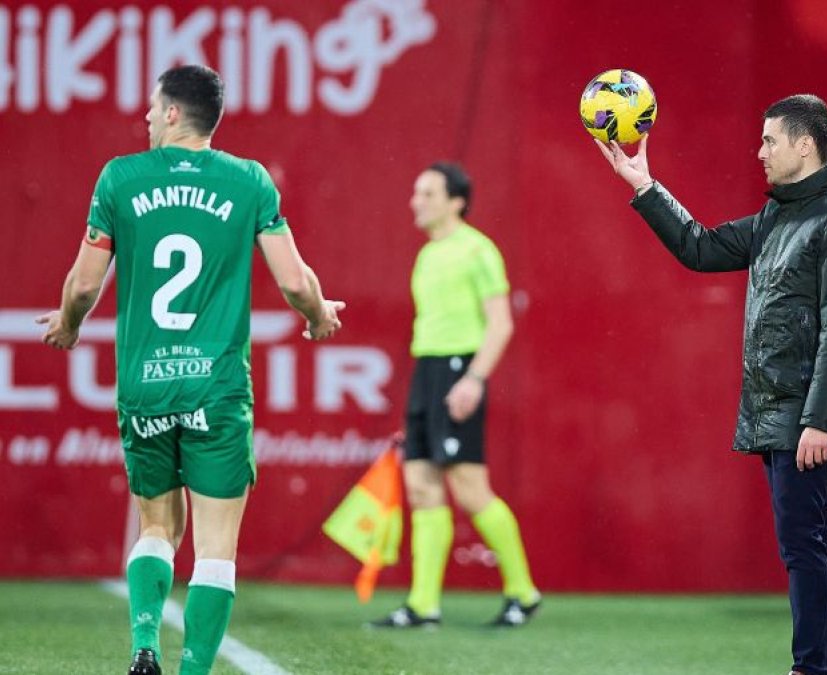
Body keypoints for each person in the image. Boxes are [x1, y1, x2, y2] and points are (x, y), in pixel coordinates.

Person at [37, 65, 344, 675]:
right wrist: (317, 315)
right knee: (216, 547)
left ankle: (143, 643)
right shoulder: (249, 181)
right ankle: (193, 670)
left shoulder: (120, 179)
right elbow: (292, 279)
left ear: (174, 112)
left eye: (153, 107)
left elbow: (83, 285)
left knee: (155, 525)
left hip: (146, 385)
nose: (148, 117)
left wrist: (69, 324)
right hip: (218, 387)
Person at [595, 94, 827, 675]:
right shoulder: (778, 216)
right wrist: (646, 187)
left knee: (808, 545)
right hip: (778, 415)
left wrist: (820, 420)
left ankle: (813, 667)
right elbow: (699, 248)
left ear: (806, 145)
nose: (760, 151)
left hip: (803, 417)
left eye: (771, 140)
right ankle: (816, 666)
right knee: (809, 543)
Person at [369, 162, 540, 629]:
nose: (415, 201)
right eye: (415, 192)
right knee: (421, 484)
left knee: (469, 487)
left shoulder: (477, 250)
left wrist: (473, 379)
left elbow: (501, 322)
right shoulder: (428, 254)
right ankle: (424, 605)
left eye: (426, 193)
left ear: (455, 201)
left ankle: (523, 592)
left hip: (458, 370)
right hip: (427, 370)